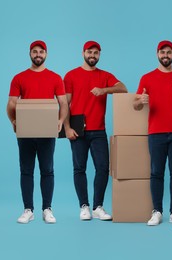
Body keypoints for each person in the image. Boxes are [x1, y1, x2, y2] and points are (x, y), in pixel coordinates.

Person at [64, 40, 127, 221]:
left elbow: (123, 88)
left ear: (99, 55)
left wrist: (104, 90)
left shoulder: (105, 75)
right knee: (79, 169)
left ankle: (98, 206)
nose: (92, 56)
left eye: (96, 53)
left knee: (102, 167)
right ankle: (84, 206)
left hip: (98, 130)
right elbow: (65, 103)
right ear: (83, 53)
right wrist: (67, 128)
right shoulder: (71, 75)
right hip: (78, 130)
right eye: (89, 52)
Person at [7, 40, 68, 224]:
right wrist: (13, 120)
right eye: (35, 51)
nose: (38, 54)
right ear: (30, 54)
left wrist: (60, 121)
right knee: (26, 170)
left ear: (46, 54)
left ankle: (47, 209)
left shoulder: (55, 78)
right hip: (26, 132)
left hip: (47, 132)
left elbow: (63, 103)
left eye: (41, 51)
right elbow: (11, 103)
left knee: (47, 170)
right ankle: (28, 210)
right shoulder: (19, 78)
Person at [133, 40, 172, 226]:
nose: (166, 55)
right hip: (156, 132)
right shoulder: (147, 78)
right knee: (156, 172)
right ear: (157, 53)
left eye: (169, 52)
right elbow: (135, 105)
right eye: (163, 52)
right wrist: (141, 100)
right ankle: (157, 211)